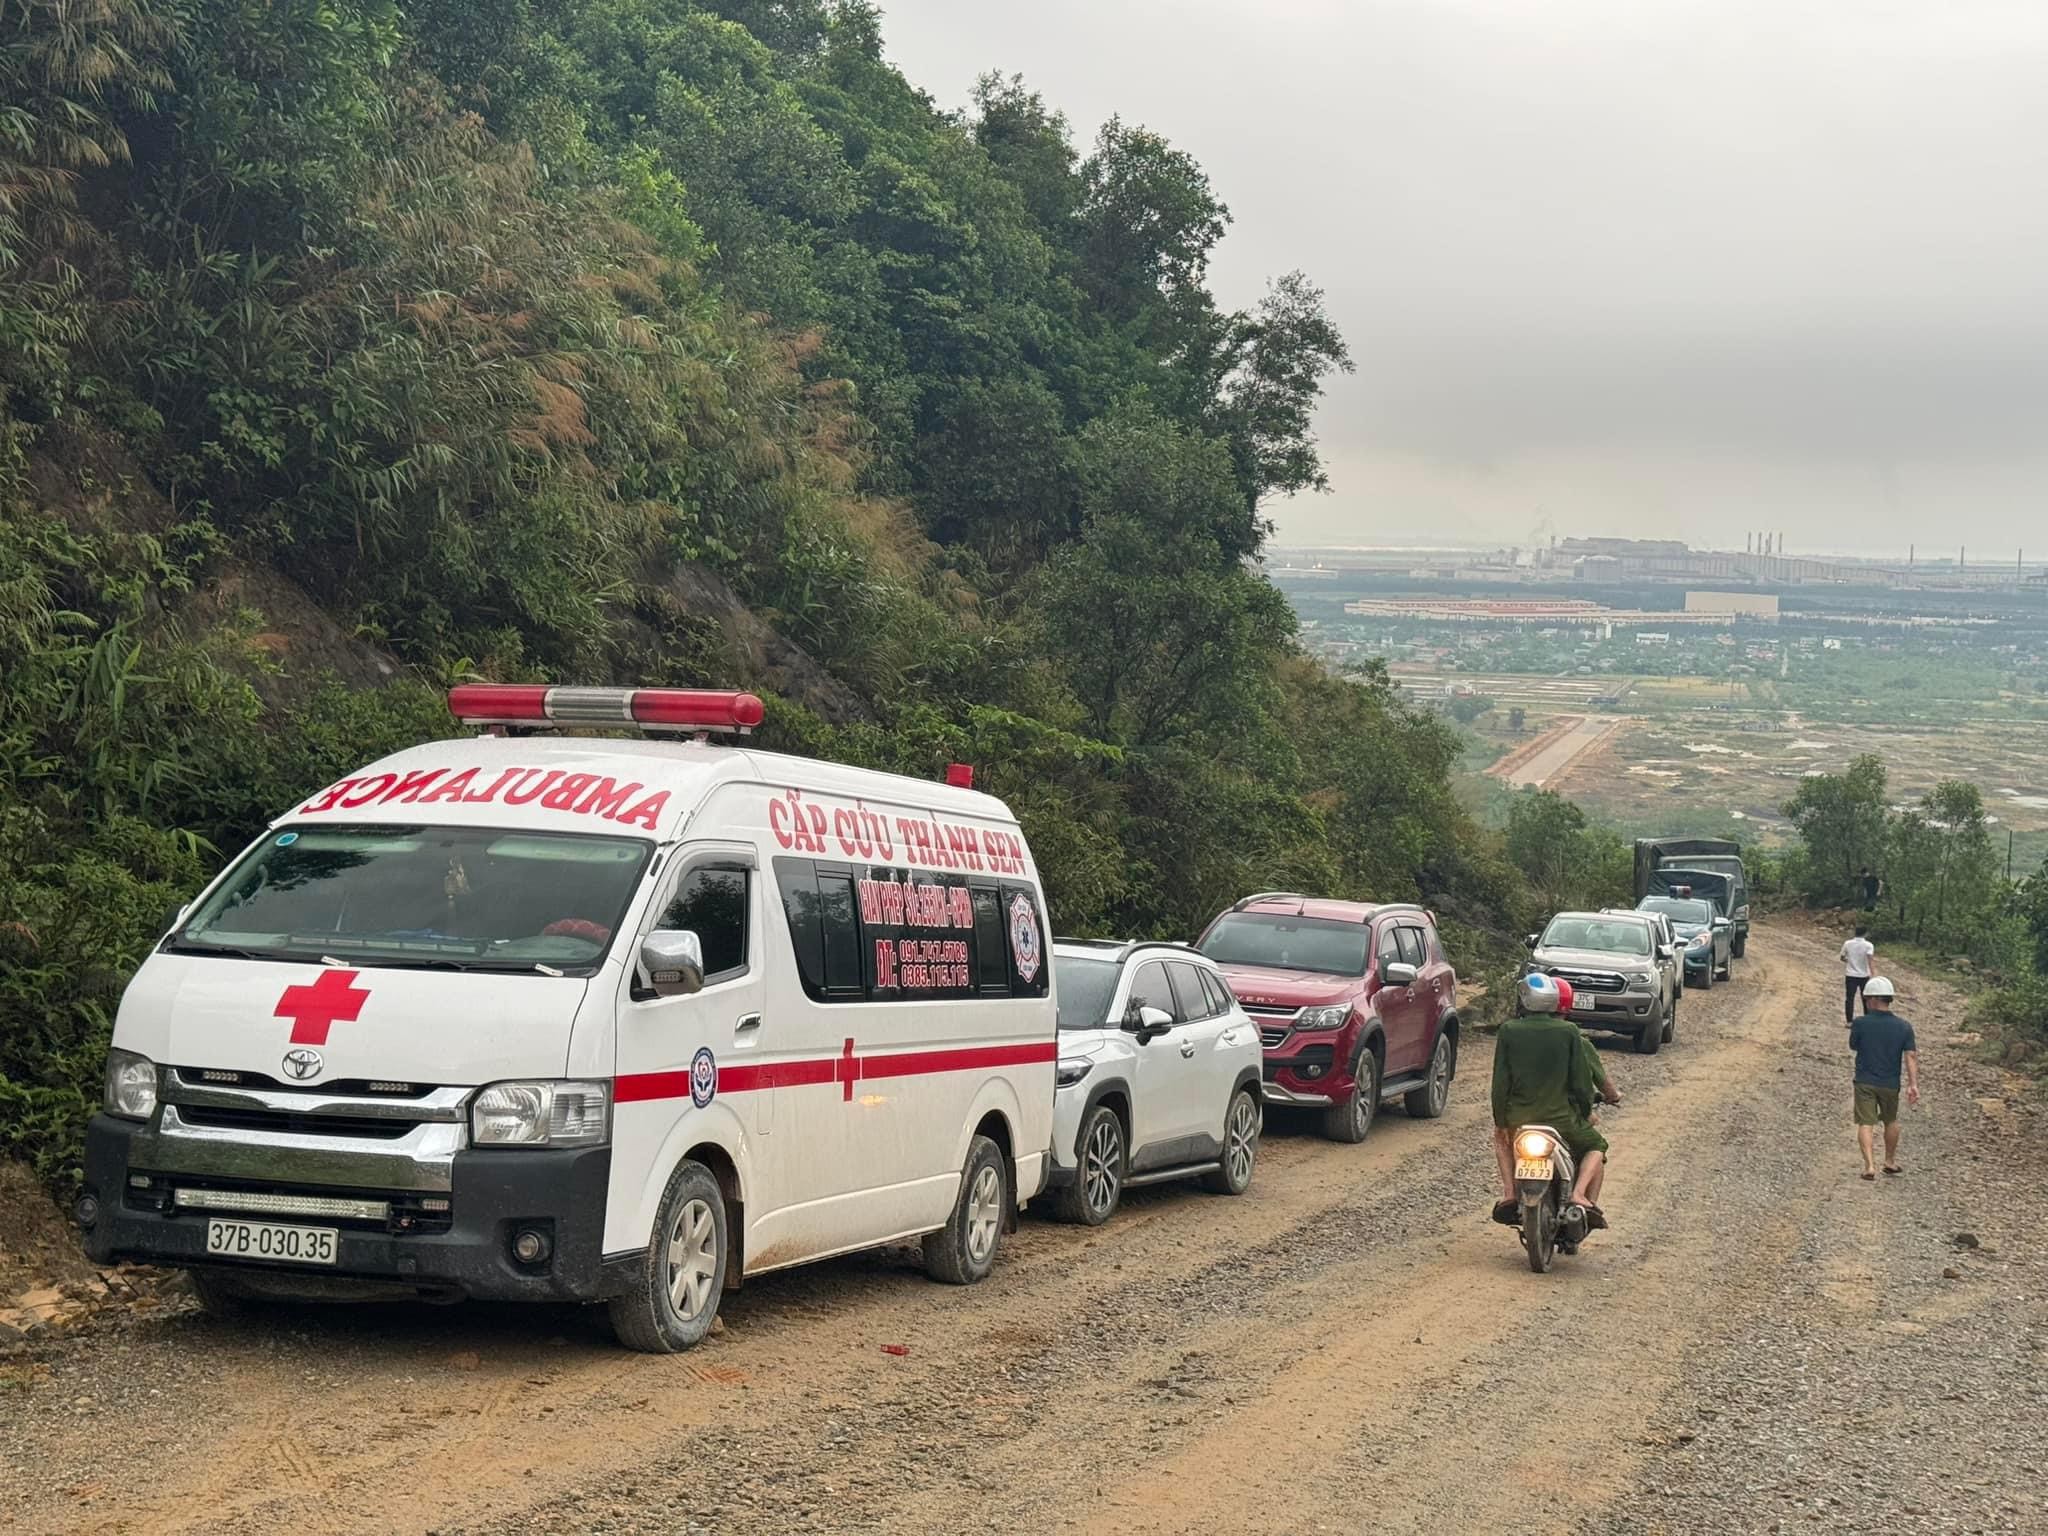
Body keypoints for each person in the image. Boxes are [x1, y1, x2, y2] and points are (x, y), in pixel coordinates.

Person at [1492, 973, 1621, 1228]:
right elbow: (1582, 1083)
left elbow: (1500, 1083)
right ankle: (1578, 1194)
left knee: (1500, 1139)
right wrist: (1585, 1111)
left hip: (1519, 1119)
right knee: (1597, 1145)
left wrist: (1501, 1121)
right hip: (1561, 1120)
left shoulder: (1508, 1031)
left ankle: (1509, 1193)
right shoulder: (1569, 1032)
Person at [1849, 976, 1919, 1180]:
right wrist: (1913, 1085)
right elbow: (1911, 1056)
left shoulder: (1861, 1023)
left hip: (1864, 1081)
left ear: (1872, 999)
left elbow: (1853, 1046)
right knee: (1891, 1120)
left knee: (1865, 1122)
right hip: (1890, 1083)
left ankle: (1869, 1166)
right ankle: (1889, 1161)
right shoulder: (1904, 1026)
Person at [1841, 924, 1875, 1025]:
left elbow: (1842, 957)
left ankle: (1849, 1021)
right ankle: (1867, 1019)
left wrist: (1849, 960)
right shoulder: (1869, 945)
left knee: (1849, 998)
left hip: (1850, 974)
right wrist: (1874, 974)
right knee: (1866, 998)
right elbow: (1870, 960)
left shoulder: (1847, 943)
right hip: (1864, 975)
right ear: (1865, 933)